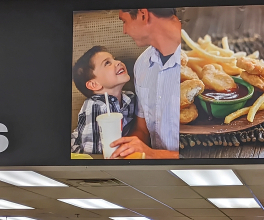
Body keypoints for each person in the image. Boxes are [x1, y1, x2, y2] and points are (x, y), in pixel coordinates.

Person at [110, 8, 181, 159]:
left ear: (143, 14)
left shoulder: (208, 59)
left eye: (124, 21)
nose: (124, 31)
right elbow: (142, 129)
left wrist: (153, 154)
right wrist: (128, 149)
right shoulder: (142, 64)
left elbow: (212, 153)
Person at [70, 46, 137, 155]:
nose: (118, 62)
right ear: (94, 84)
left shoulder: (130, 98)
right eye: (107, 63)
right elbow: (93, 153)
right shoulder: (95, 106)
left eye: (114, 59)